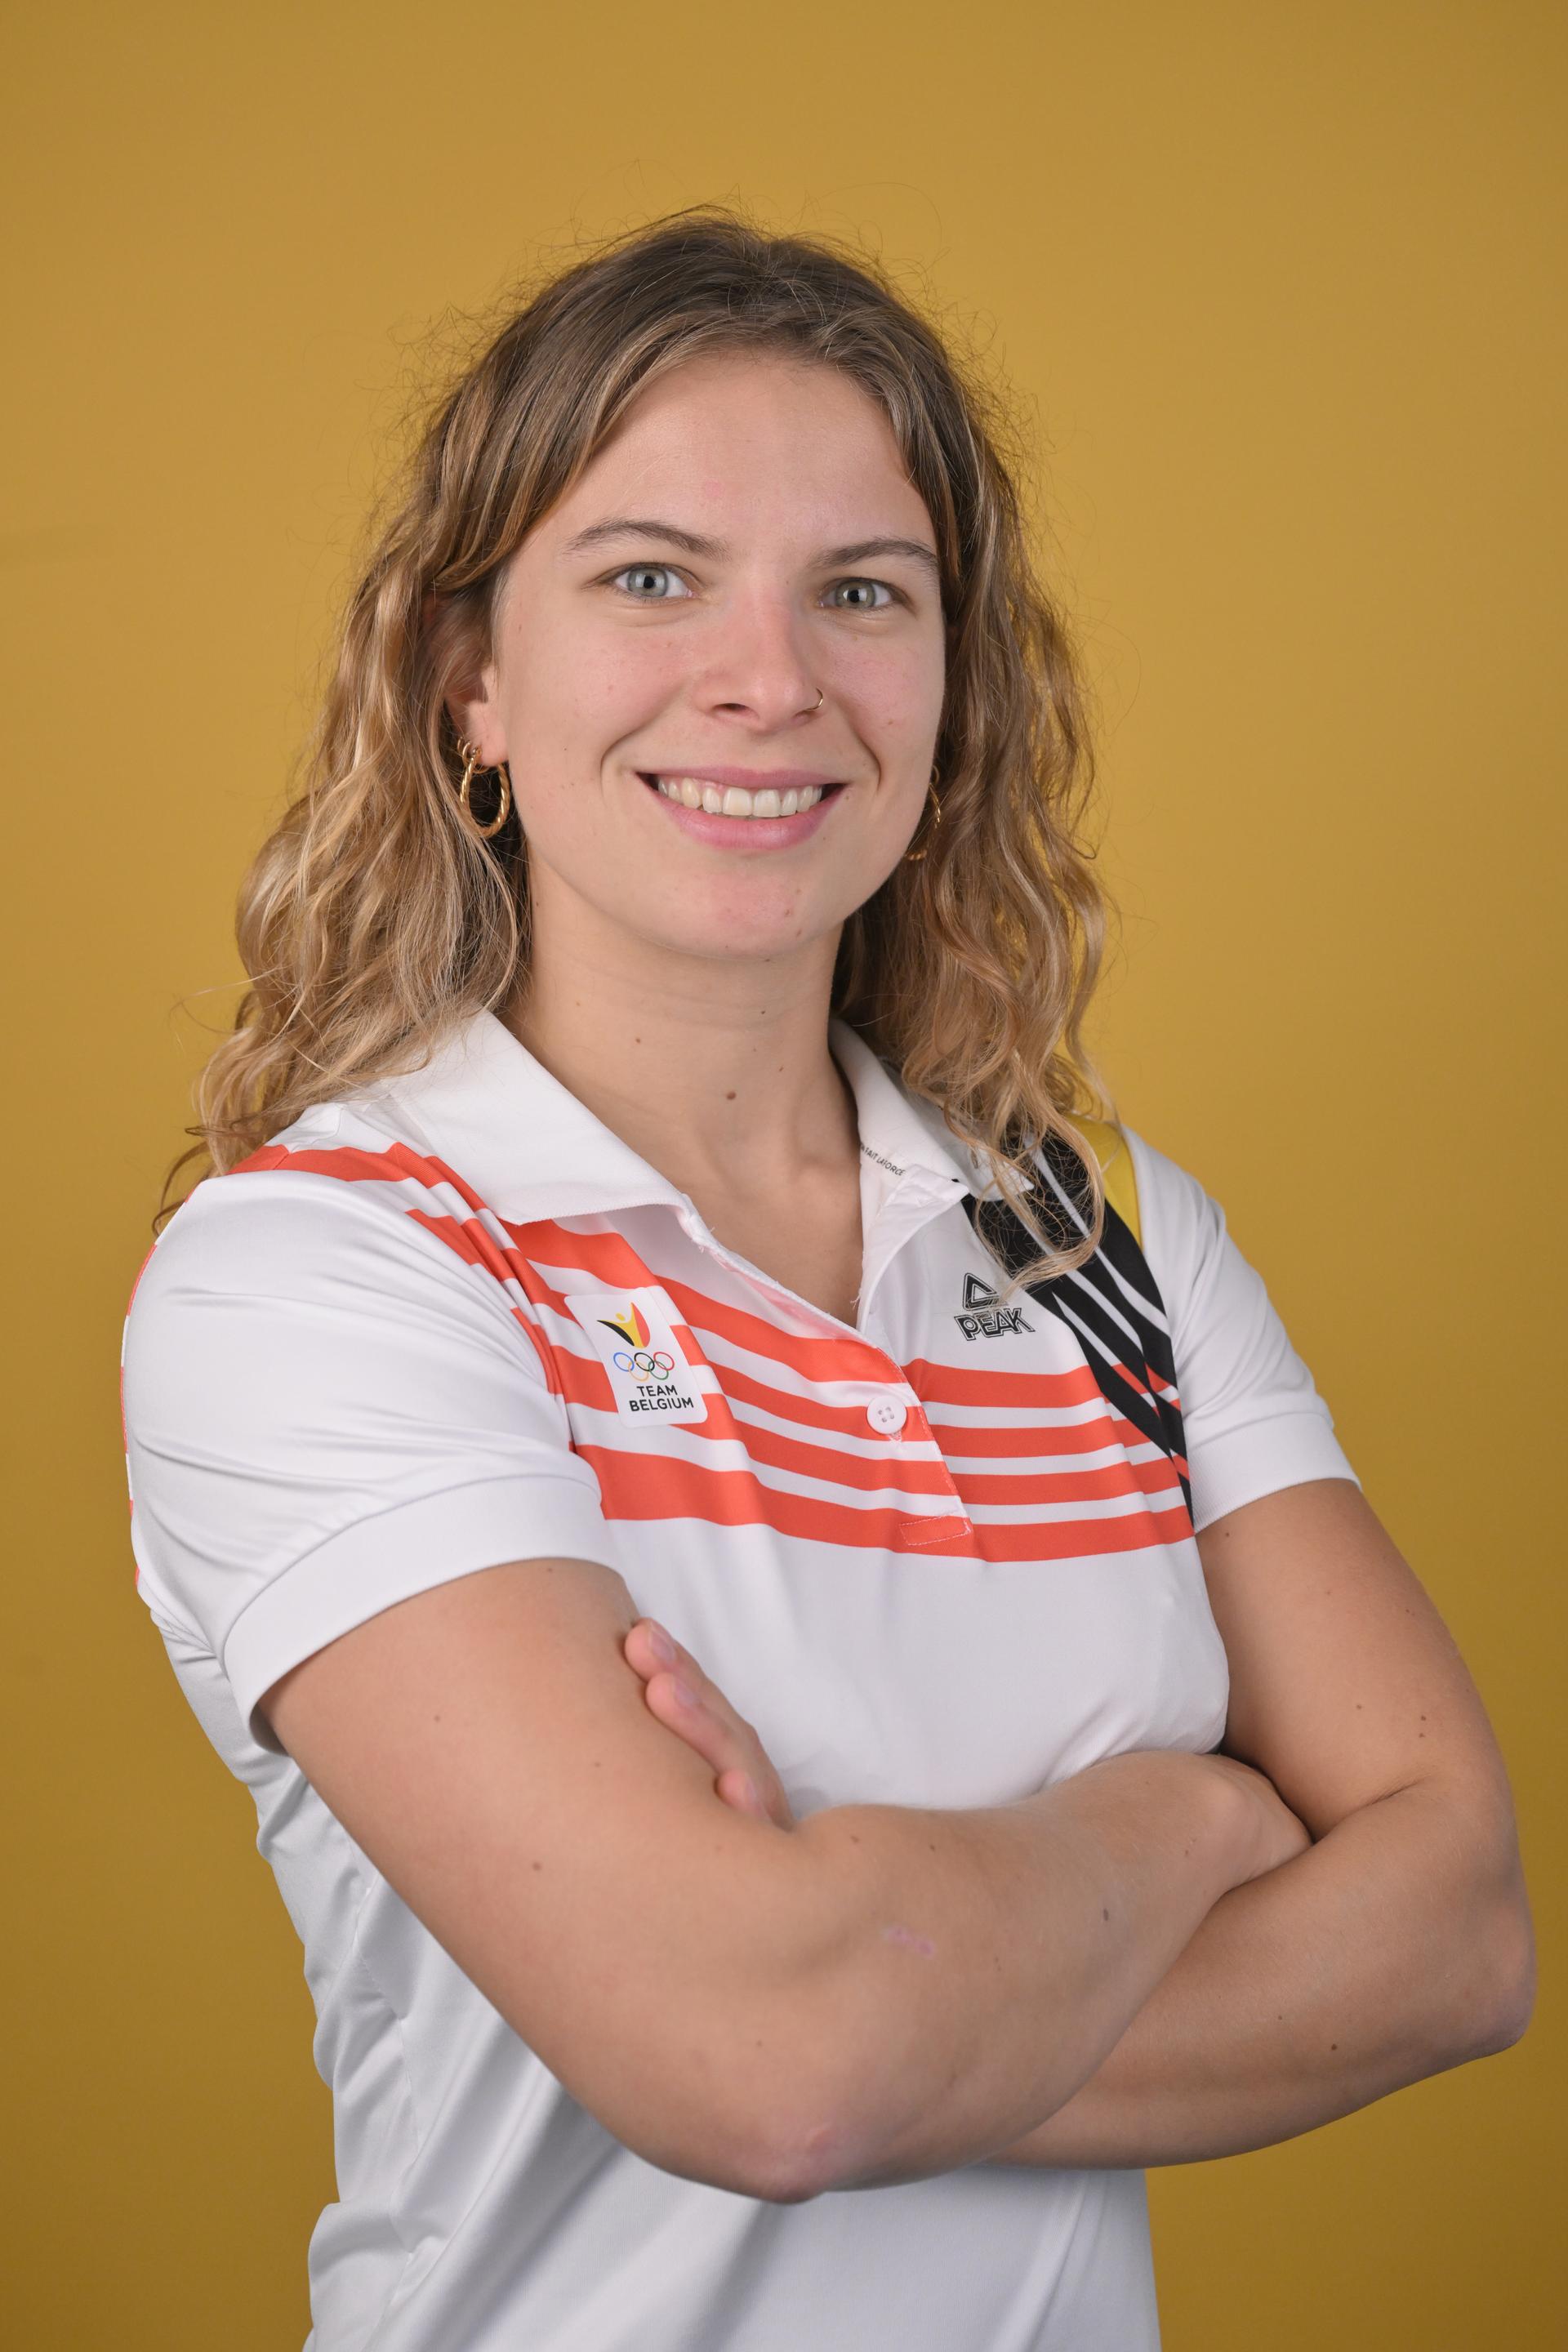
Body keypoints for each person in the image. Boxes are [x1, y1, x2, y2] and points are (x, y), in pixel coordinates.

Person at [118, 207, 1533, 2351]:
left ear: (955, 690)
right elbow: (768, 2068)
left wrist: (865, 1961)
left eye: (861, 592)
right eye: (651, 577)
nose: (767, 679)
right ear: (466, 683)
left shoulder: (1103, 1242)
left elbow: (1460, 1933)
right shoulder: (325, 1269)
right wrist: (1192, 1810)